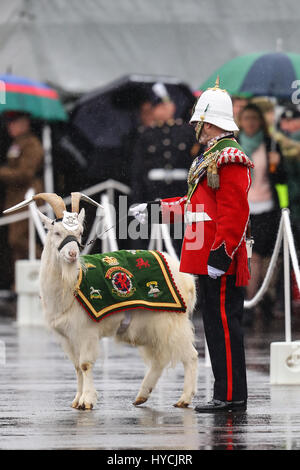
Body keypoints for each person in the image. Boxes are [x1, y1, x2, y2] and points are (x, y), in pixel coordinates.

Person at [130, 78, 253, 412]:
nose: (195, 129)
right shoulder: (211, 156)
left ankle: (229, 396)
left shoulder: (229, 158)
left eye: (199, 123)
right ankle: (227, 392)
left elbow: (234, 213)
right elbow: (192, 206)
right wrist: (154, 210)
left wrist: (222, 252)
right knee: (215, 324)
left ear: (210, 123)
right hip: (206, 253)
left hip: (218, 255)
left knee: (225, 326)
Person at [130, 83, 199, 253]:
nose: (163, 109)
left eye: (165, 104)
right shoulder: (146, 135)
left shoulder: (186, 132)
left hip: (180, 192)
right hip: (154, 192)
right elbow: (138, 170)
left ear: (172, 106)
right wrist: (138, 197)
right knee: (155, 241)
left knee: (180, 240)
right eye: (158, 106)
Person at [237, 103, 288, 325]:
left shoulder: (270, 145)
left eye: (254, 118)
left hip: (267, 207)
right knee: (253, 256)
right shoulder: (235, 146)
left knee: (269, 258)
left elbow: (281, 180)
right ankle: (250, 301)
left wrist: (277, 165)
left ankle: (266, 298)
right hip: (244, 209)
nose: (250, 123)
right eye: (246, 118)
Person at [0, 111, 44, 283]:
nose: (10, 127)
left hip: (27, 198)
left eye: (14, 122)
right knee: (16, 247)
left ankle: (52, 262)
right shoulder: (16, 144)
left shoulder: (31, 144)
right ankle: (20, 285)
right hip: (15, 199)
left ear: (24, 123)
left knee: (18, 239)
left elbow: (25, 173)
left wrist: (2, 172)